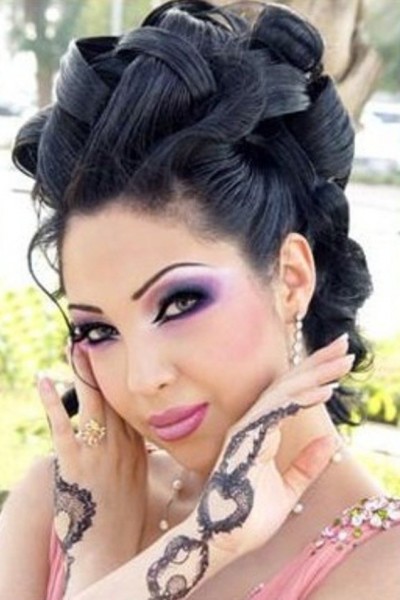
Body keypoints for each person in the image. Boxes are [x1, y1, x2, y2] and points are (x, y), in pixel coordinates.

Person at [1, 1, 399, 598]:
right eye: (99, 331)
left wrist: (204, 542)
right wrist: (101, 551)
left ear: (292, 279)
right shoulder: (61, 508)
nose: (143, 379)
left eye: (179, 303)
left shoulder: (383, 568)